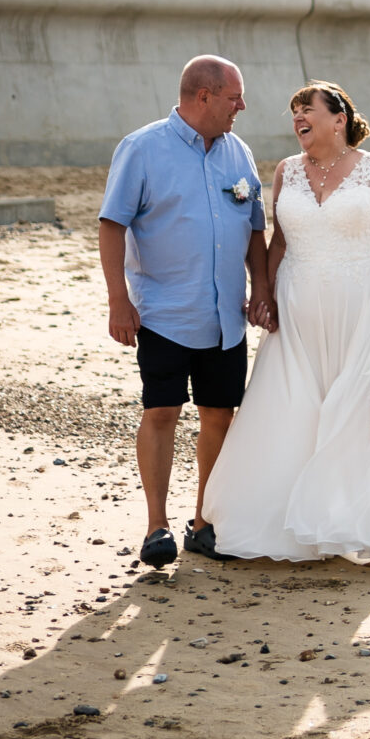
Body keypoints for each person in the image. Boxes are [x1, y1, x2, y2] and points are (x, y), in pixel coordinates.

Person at [195, 79, 370, 567]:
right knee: (293, 406)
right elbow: (279, 241)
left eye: (307, 109)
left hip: (362, 302)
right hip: (296, 305)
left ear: (338, 119)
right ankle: (288, 521)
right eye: (294, 112)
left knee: (359, 408)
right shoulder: (287, 171)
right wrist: (264, 293)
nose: (298, 117)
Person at [98, 55, 272, 570]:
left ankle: (203, 523)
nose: (242, 106)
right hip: (163, 314)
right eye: (234, 97)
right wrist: (118, 300)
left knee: (219, 415)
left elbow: (254, 230)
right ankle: (157, 526)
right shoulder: (141, 148)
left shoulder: (239, 152)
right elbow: (112, 225)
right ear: (204, 96)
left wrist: (262, 287)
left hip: (225, 318)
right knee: (162, 412)